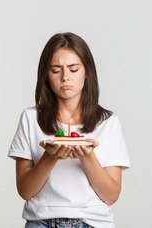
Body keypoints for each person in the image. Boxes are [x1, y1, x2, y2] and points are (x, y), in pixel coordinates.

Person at [8, 32, 130, 228]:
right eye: (56, 70)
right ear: (45, 75)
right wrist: (50, 156)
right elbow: (25, 190)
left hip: (92, 223)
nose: (65, 78)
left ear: (87, 71)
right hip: (41, 222)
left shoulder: (108, 122)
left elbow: (111, 195)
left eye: (73, 69)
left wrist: (87, 157)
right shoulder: (31, 118)